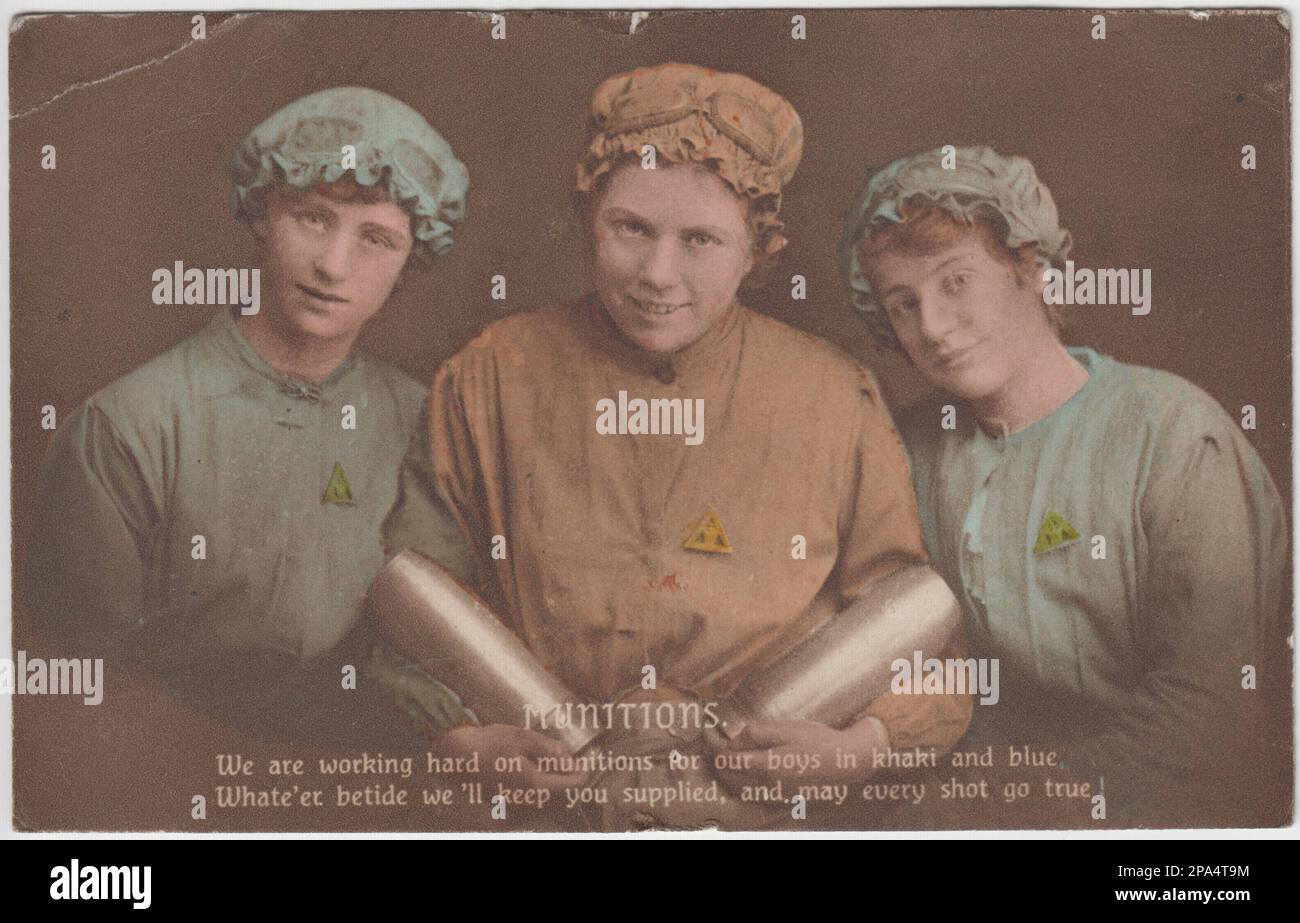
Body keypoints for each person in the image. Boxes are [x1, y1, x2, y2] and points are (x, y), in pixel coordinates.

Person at [376, 64, 972, 829]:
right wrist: (465, 743)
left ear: (758, 250)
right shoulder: (490, 374)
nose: (659, 275)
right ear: (588, 216)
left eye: (700, 240)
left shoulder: (833, 395)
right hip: (554, 807)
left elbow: (921, 637)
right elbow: (407, 617)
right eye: (631, 228)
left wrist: (862, 746)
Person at [841, 145, 1288, 824]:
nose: (931, 326)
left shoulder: (1171, 435)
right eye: (903, 304)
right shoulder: (904, 450)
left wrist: (991, 814)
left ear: (1031, 268)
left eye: (955, 281)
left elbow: (1208, 713)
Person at [26, 86, 469, 750]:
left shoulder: (422, 424)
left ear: (412, 259)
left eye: (376, 238)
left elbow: (434, 645)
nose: (333, 264)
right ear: (263, 212)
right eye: (313, 218)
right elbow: (84, 690)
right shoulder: (127, 427)